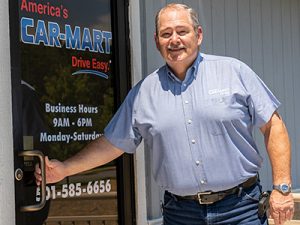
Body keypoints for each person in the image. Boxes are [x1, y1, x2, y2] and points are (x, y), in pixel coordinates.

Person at [35, 3, 294, 225]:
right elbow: (112, 144)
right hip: (181, 213)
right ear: (157, 41)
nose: (174, 40)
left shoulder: (234, 72)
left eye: (182, 31)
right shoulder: (144, 93)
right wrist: (65, 169)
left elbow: (274, 126)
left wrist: (282, 187)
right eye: (166, 33)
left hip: (240, 208)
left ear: (199, 35)